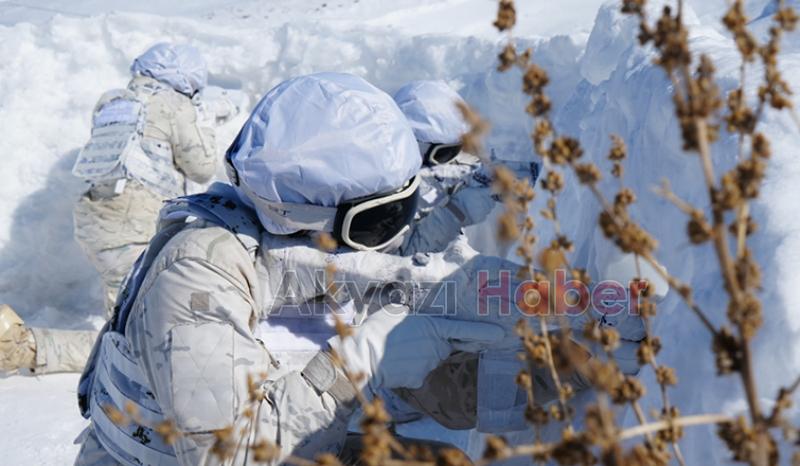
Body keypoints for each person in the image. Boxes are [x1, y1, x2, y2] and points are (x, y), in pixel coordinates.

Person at [73, 72, 512, 466]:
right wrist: (357, 366)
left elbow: (352, 280)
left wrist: (443, 289)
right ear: (305, 213)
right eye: (377, 219)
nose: (393, 231)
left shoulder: (278, 238)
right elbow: (232, 455)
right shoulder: (196, 272)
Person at [0, 43, 239, 375]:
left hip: (97, 221)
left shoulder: (114, 100)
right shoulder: (174, 104)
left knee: (129, 313)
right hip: (135, 223)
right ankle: (22, 346)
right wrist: (204, 123)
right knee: (133, 340)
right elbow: (200, 166)